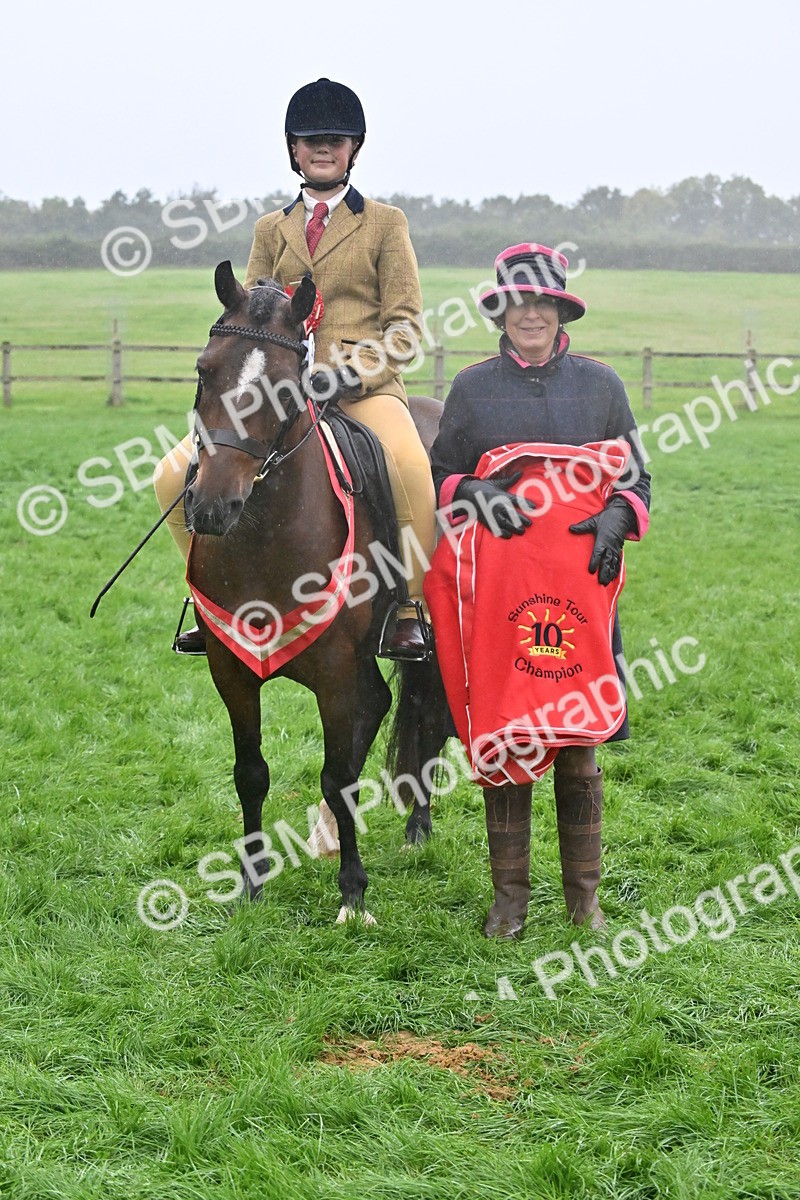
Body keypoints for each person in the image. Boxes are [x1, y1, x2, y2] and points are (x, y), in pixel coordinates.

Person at [154, 78, 435, 658]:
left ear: (354, 147)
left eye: (334, 140)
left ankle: (409, 608)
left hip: (362, 388)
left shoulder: (386, 224)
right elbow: (249, 310)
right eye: (310, 141)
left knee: (409, 466)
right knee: (168, 475)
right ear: (293, 150)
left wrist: (348, 374)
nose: (322, 149)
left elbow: (405, 328)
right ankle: (206, 601)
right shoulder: (270, 230)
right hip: (275, 394)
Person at [427, 243, 651, 938]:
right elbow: (439, 478)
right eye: (517, 302)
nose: (531, 314)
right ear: (501, 309)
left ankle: (585, 901)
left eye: (542, 302)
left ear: (559, 309)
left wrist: (619, 515)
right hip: (503, 600)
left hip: (580, 593)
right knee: (512, 738)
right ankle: (511, 901)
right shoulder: (472, 389)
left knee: (579, 743)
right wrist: (472, 491)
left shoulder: (602, 385)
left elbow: (637, 480)